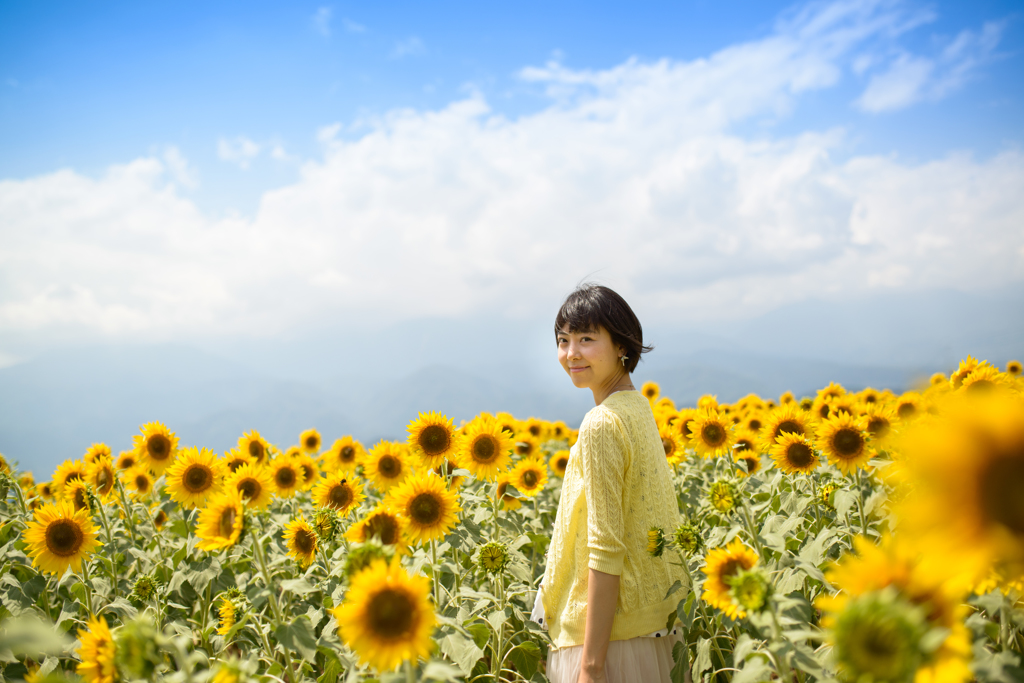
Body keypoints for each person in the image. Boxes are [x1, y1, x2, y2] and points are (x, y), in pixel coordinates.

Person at [534, 283, 688, 683]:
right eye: (564, 340)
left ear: (622, 345)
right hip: (652, 626)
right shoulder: (637, 407)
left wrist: (590, 666)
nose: (572, 354)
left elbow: (605, 550)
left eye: (587, 339)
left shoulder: (602, 423)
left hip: (608, 640)